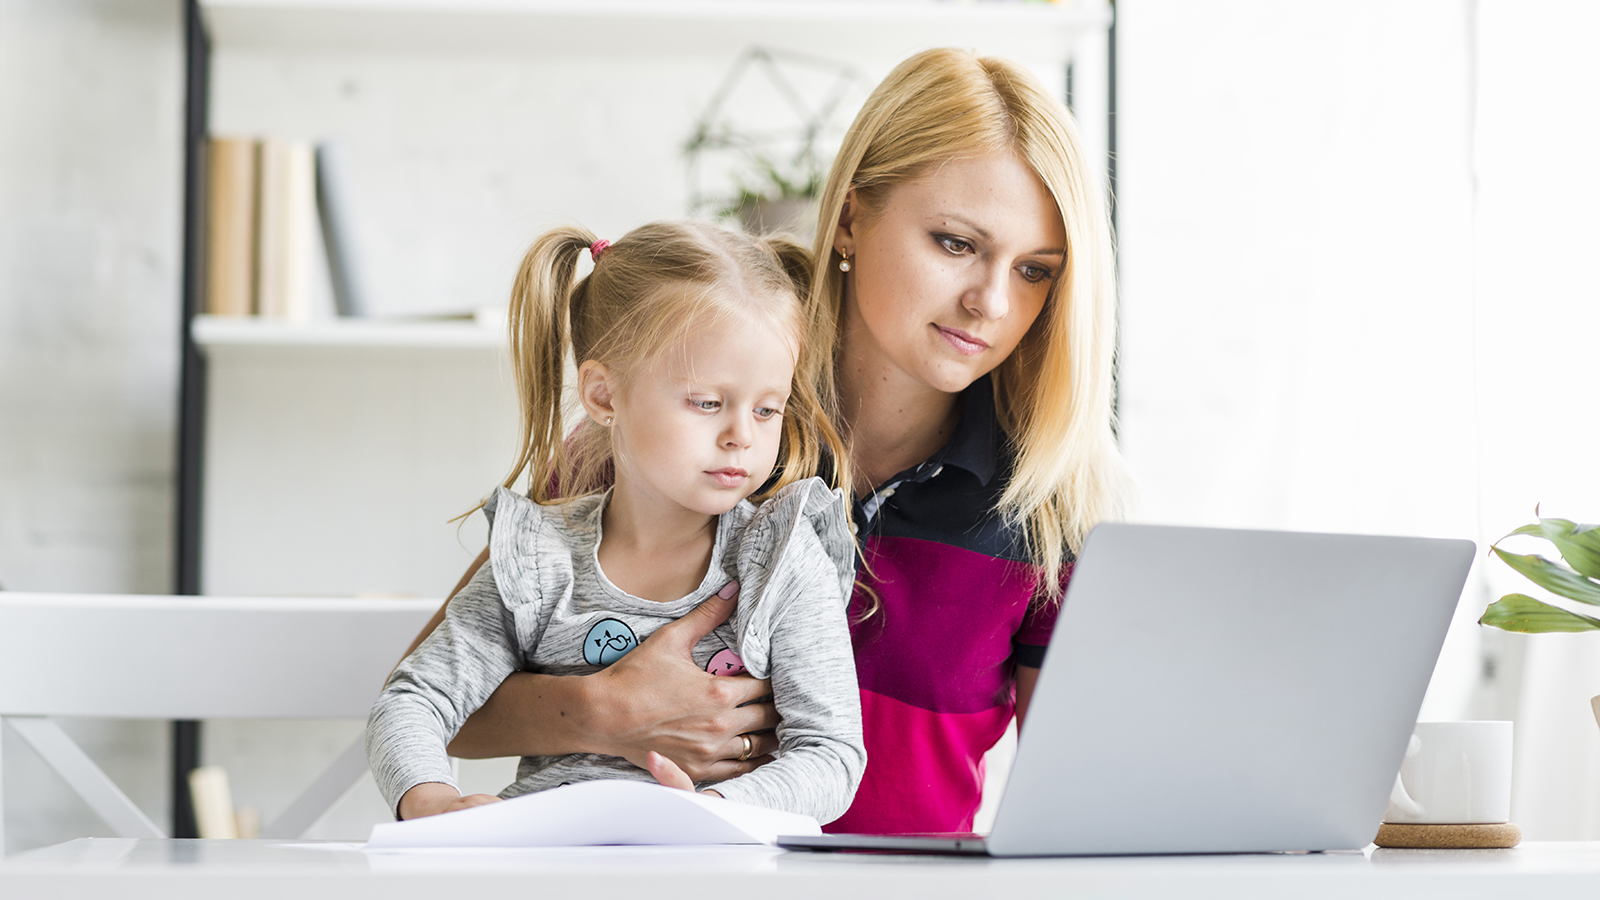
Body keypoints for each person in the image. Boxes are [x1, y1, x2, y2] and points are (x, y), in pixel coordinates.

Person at [406, 47, 1129, 834]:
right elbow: (444, 705)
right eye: (956, 243)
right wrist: (603, 708)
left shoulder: (1048, 507)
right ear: (850, 218)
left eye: (1035, 271)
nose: (991, 300)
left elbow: (1083, 800)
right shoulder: (685, 426)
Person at [368, 221, 866, 824]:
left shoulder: (783, 558)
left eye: (767, 410)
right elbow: (414, 699)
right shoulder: (536, 558)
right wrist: (429, 799)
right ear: (604, 396)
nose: (742, 436)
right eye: (708, 403)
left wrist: (710, 812)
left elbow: (832, 755)